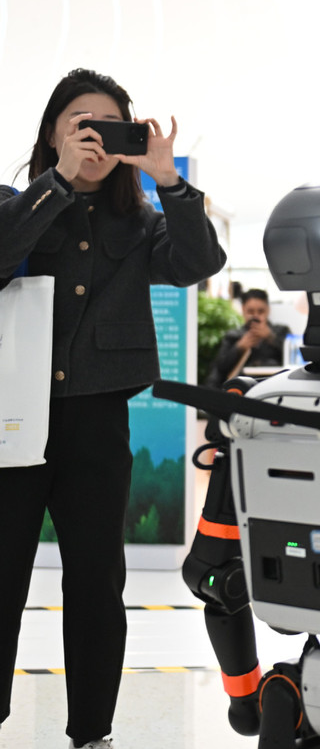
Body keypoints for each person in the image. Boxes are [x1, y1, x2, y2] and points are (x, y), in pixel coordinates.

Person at [0, 68, 226, 749]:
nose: (96, 139)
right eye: (81, 125)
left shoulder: (142, 221)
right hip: (12, 419)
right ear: (53, 134)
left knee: (97, 582)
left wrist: (170, 182)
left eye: (111, 127)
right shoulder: (19, 203)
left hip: (97, 421)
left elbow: (197, 261)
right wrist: (60, 182)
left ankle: (92, 731)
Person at [205, 288, 290, 386]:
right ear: (243, 310)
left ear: (268, 310)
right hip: (241, 386)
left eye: (261, 311)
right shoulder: (233, 336)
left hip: (274, 384)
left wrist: (271, 338)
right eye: (250, 311)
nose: (256, 316)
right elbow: (219, 367)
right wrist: (239, 347)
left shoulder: (281, 331)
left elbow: (293, 358)